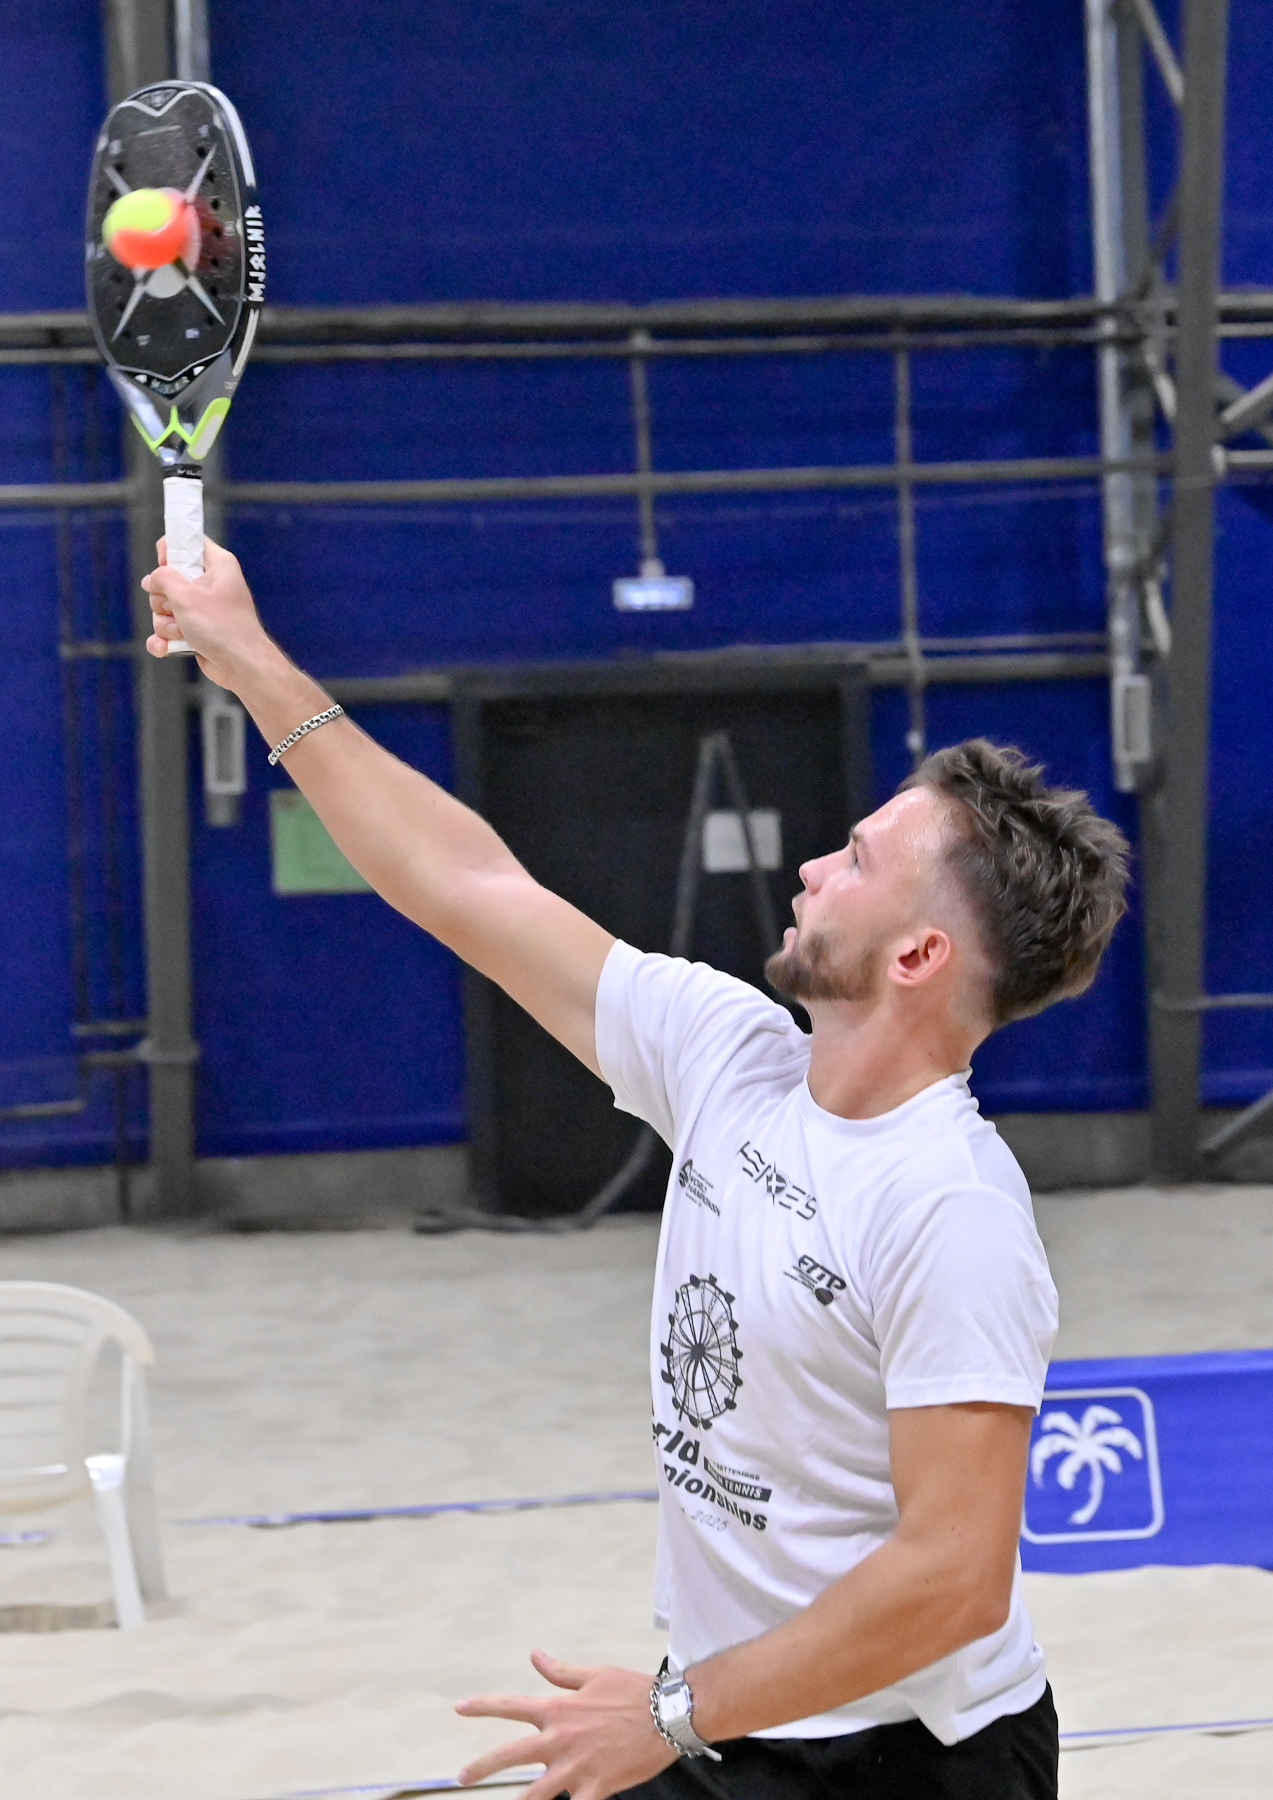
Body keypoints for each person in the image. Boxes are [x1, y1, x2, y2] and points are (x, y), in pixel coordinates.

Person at [143, 542, 1130, 1800]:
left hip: (909, 1760)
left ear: (916, 956)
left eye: (855, 862)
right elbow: (463, 882)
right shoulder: (728, 1053)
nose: (812, 868)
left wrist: (670, 1714)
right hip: (732, 1714)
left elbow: (952, 1580)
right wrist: (248, 660)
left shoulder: (949, 1207)